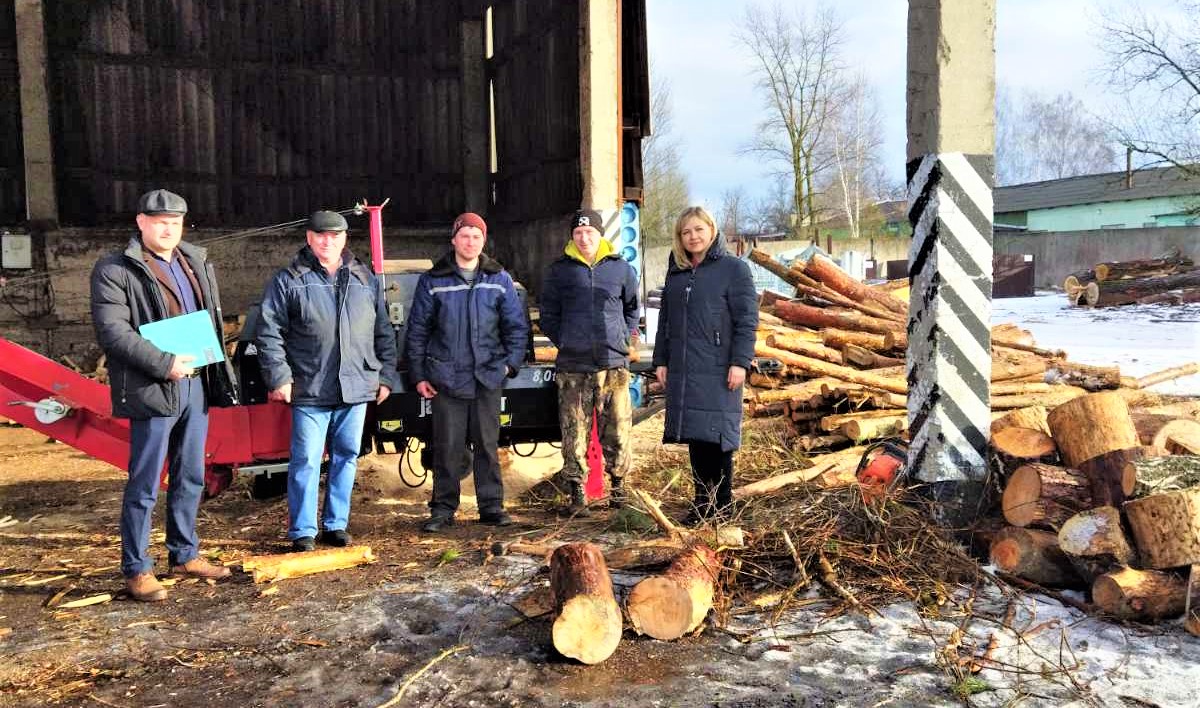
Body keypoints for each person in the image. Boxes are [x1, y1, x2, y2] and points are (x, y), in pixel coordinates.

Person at [90, 189, 239, 601]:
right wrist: (164, 363)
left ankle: (184, 553)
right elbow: (114, 332)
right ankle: (137, 568)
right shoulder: (115, 270)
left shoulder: (195, 261)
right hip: (153, 385)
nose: (168, 228)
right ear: (141, 222)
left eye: (174, 222)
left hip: (196, 383)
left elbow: (210, 316)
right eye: (159, 222)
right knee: (145, 481)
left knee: (191, 474)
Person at [255, 210, 398, 552]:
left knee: (347, 455)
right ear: (309, 238)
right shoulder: (289, 279)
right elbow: (268, 331)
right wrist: (279, 376)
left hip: (356, 386)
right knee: (305, 458)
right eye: (320, 235)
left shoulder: (364, 278)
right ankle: (303, 529)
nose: (327, 241)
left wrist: (385, 376)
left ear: (345, 239)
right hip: (309, 385)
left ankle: (336, 524)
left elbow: (384, 332)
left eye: (334, 236)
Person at [405, 212, 529, 533]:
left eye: (476, 236)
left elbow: (516, 327)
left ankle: (491, 506)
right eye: (464, 236)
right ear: (453, 240)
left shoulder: (498, 279)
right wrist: (419, 375)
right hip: (447, 378)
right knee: (447, 447)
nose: (470, 241)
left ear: (483, 241)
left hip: (488, 376)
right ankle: (443, 509)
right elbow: (417, 330)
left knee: (488, 445)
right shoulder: (434, 280)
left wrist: (508, 364)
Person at [651, 206, 758, 524]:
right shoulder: (677, 272)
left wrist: (739, 361)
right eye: (686, 232)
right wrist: (661, 360)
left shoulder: (733, 269)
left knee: (719, 436)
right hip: (685, 367)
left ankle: (723, 505)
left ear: (712, 231)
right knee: (696, 436)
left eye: (698, 229)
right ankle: (701, 503)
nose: (693, 236)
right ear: (679, 238)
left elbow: (747, 320)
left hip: (719, 366)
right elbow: (665, 322)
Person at [540, 209, 639, 516]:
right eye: (578, 233)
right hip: (574, 367)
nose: (584, 238)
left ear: (600, 235)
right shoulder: (560, 271)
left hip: (613, 365)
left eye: (590, 233)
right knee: (574, 432)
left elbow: (632, 309)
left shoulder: (620, 269)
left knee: (618, 429)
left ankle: (619, 490)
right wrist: (568, 340)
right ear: (572, 236)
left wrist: (623, 340)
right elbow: (548, 315)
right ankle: (577, 494)